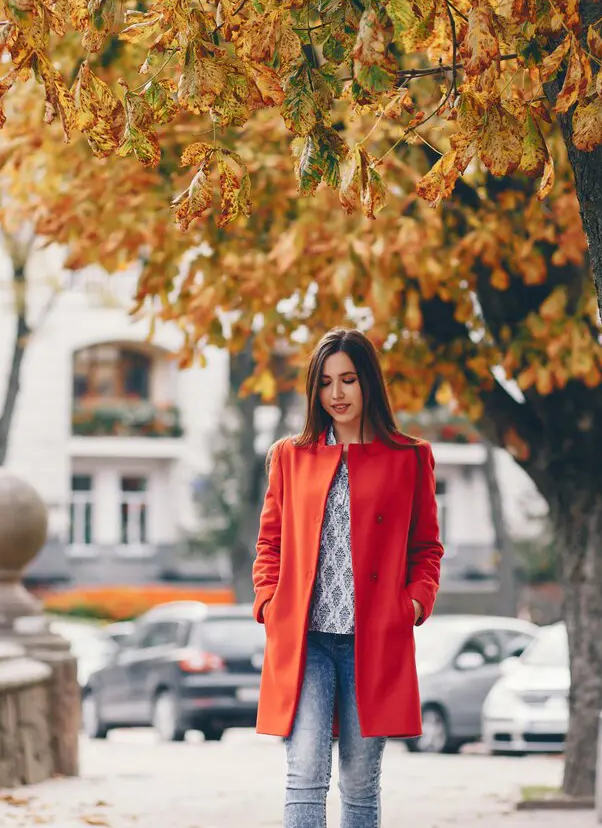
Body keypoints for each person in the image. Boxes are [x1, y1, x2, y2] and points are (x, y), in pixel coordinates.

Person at [253, 327, 444, 828]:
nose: (336, 394)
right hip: (305, 639)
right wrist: (269, 604)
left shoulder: (409, 457)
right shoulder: (290, 456)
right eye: (325, 383)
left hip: (373, 640)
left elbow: (426, 548)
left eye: (349, 380)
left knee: (360, 783)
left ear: (369, 384)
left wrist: (415, 603)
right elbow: (269, 545)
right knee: (305, 773)